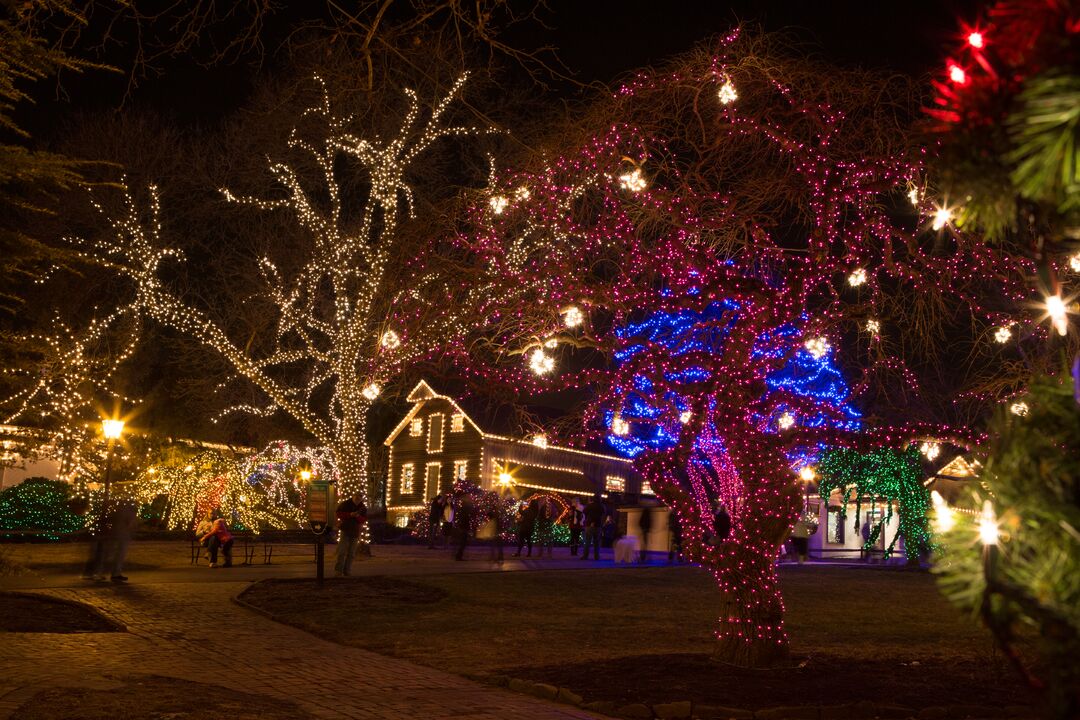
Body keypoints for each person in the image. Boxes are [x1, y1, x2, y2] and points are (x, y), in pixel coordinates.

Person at [334, 492, 366, 576]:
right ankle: (338, 571)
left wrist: (357, 516)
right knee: (342, 551)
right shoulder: (345, 504)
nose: (358, 498)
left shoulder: (362, 507)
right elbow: (338, 514)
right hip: (345, 530)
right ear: (353, 496)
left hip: (355, 531)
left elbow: (363, 520)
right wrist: (350, 515)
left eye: (360, 496)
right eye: (356, 495)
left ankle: (347, 570)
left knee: (351, 553)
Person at [582, 494, 606, 561]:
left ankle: (585, 556)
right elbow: (604, 515)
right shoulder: (602, 506)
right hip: (598, 525)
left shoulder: (589, 505)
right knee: (597, 542)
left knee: (587, 542)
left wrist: (589, 519)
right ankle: (596, 556)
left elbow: (584, 512)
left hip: (589, 525)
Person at [454, 492, 474, 561]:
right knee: (463, 541)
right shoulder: (465, 506)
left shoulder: (463, 505)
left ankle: (458, 555)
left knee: (463, 541)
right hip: (464, 525)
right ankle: (458, 556)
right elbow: (466, 515)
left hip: (463, 525)